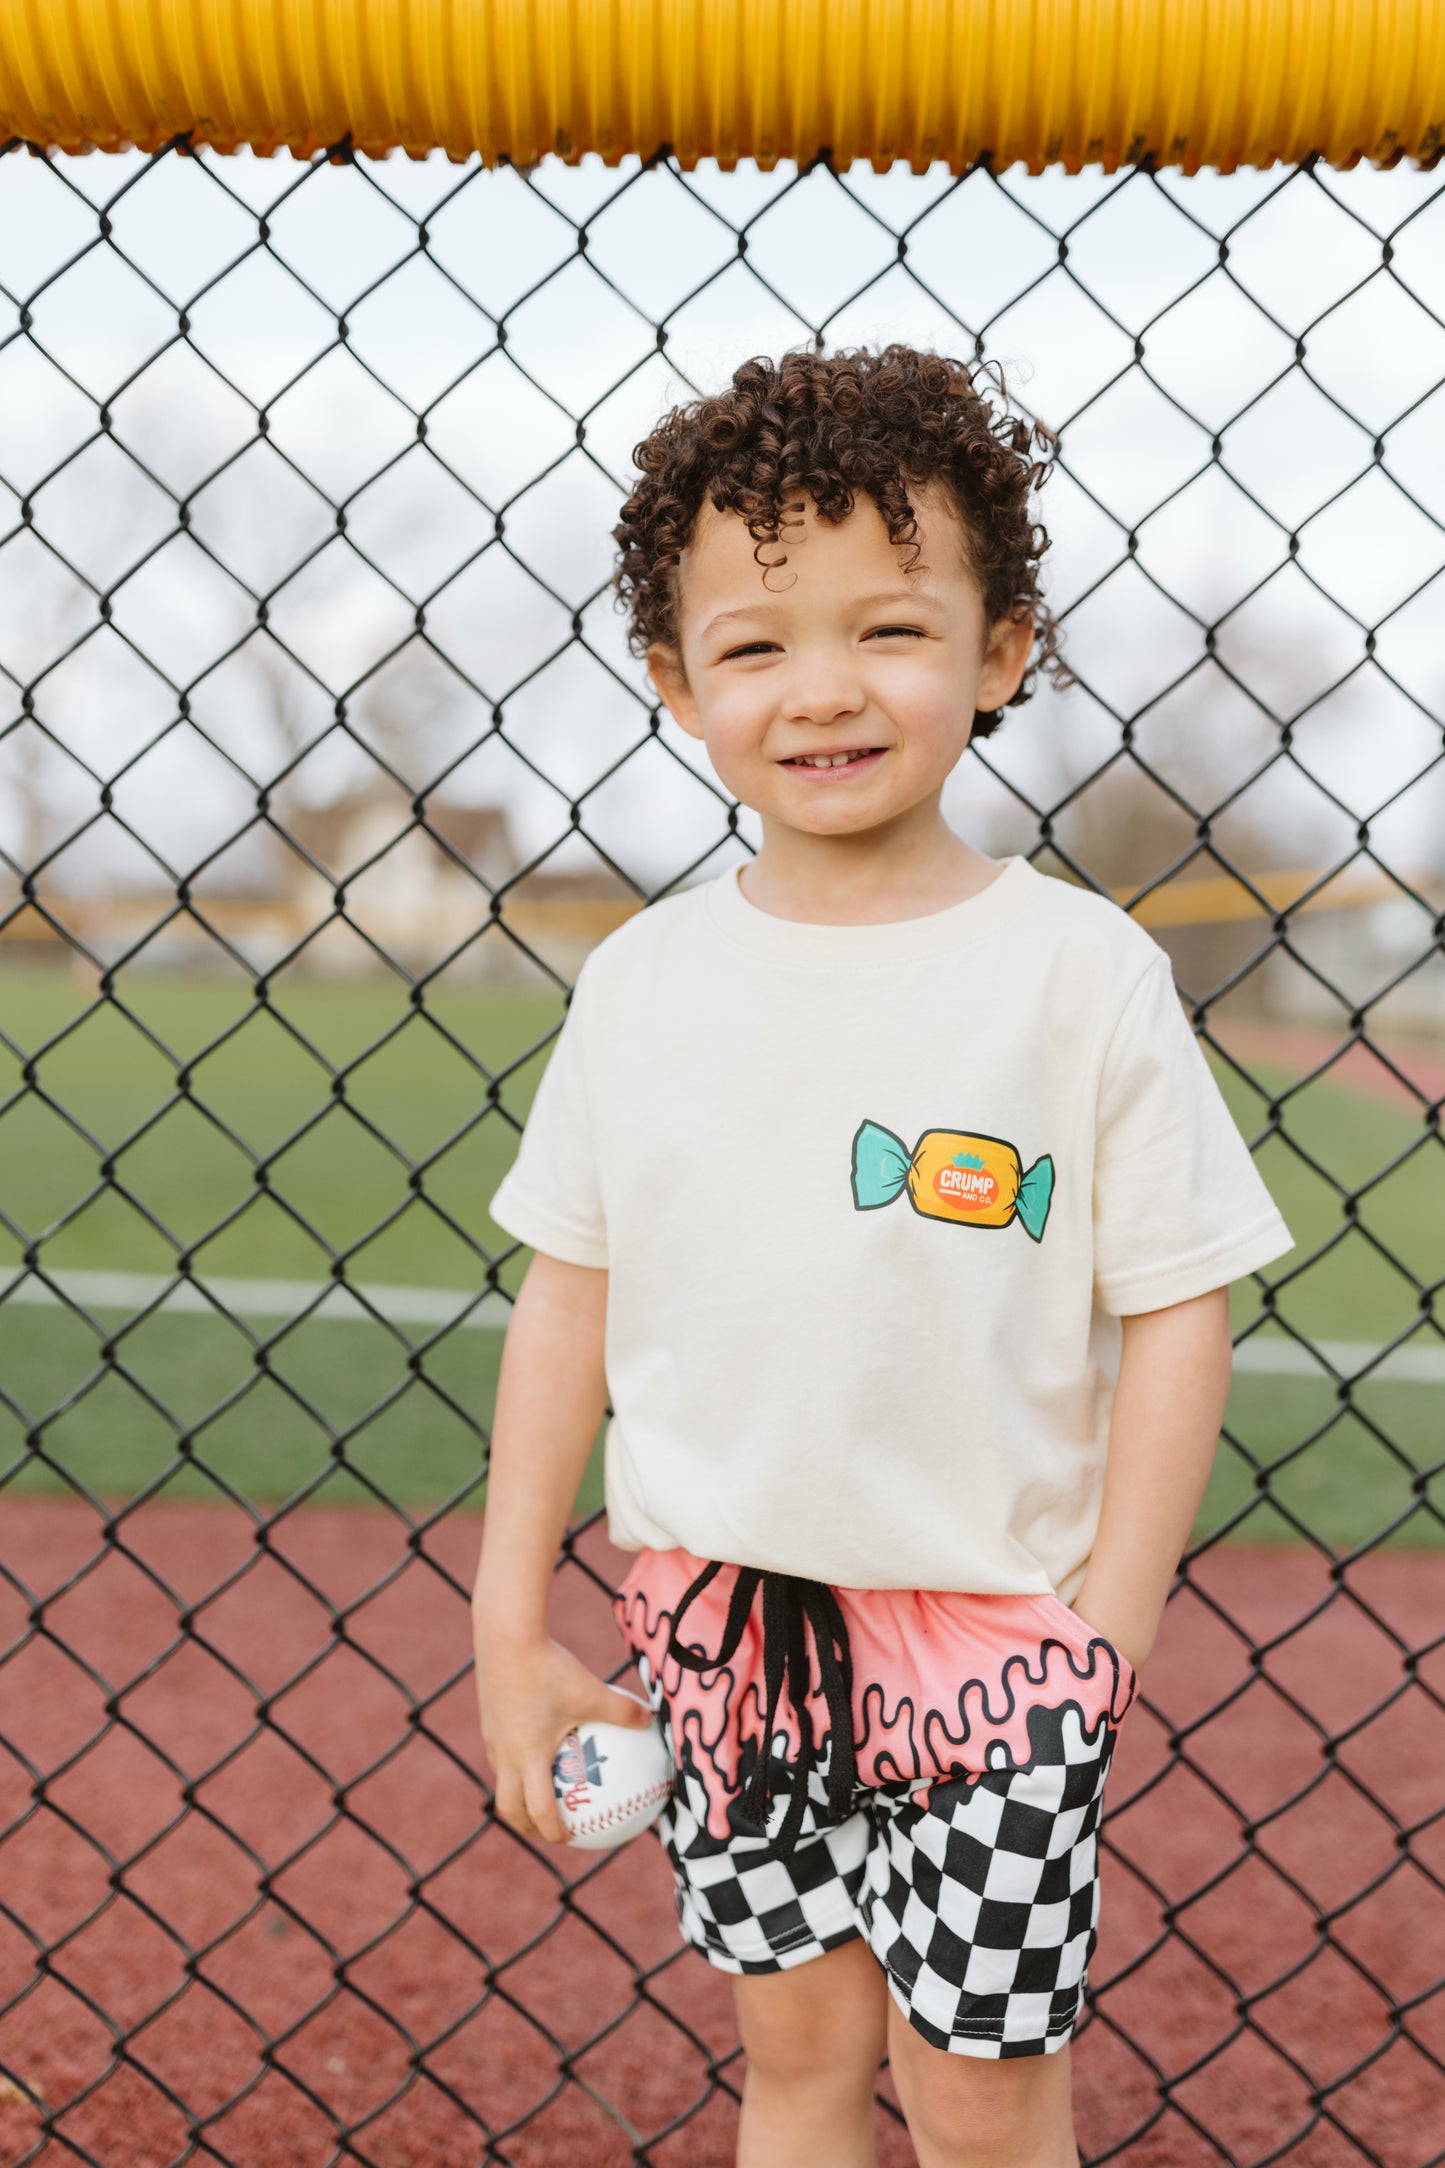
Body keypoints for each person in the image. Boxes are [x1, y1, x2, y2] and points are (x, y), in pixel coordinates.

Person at [471, 344, 1293, 2168]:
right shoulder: (644, 981)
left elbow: (1177, 1306)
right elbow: (570, 1295)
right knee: (798, 2057)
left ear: (1002, 653)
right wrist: (506, 1616)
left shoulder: (1078, 972)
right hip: (721, 1628)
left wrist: (1109, 1623)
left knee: (982, 2097)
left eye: (892, 630)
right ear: (679, 684)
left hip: (996, 1642)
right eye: (758, 645)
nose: (824, 691)